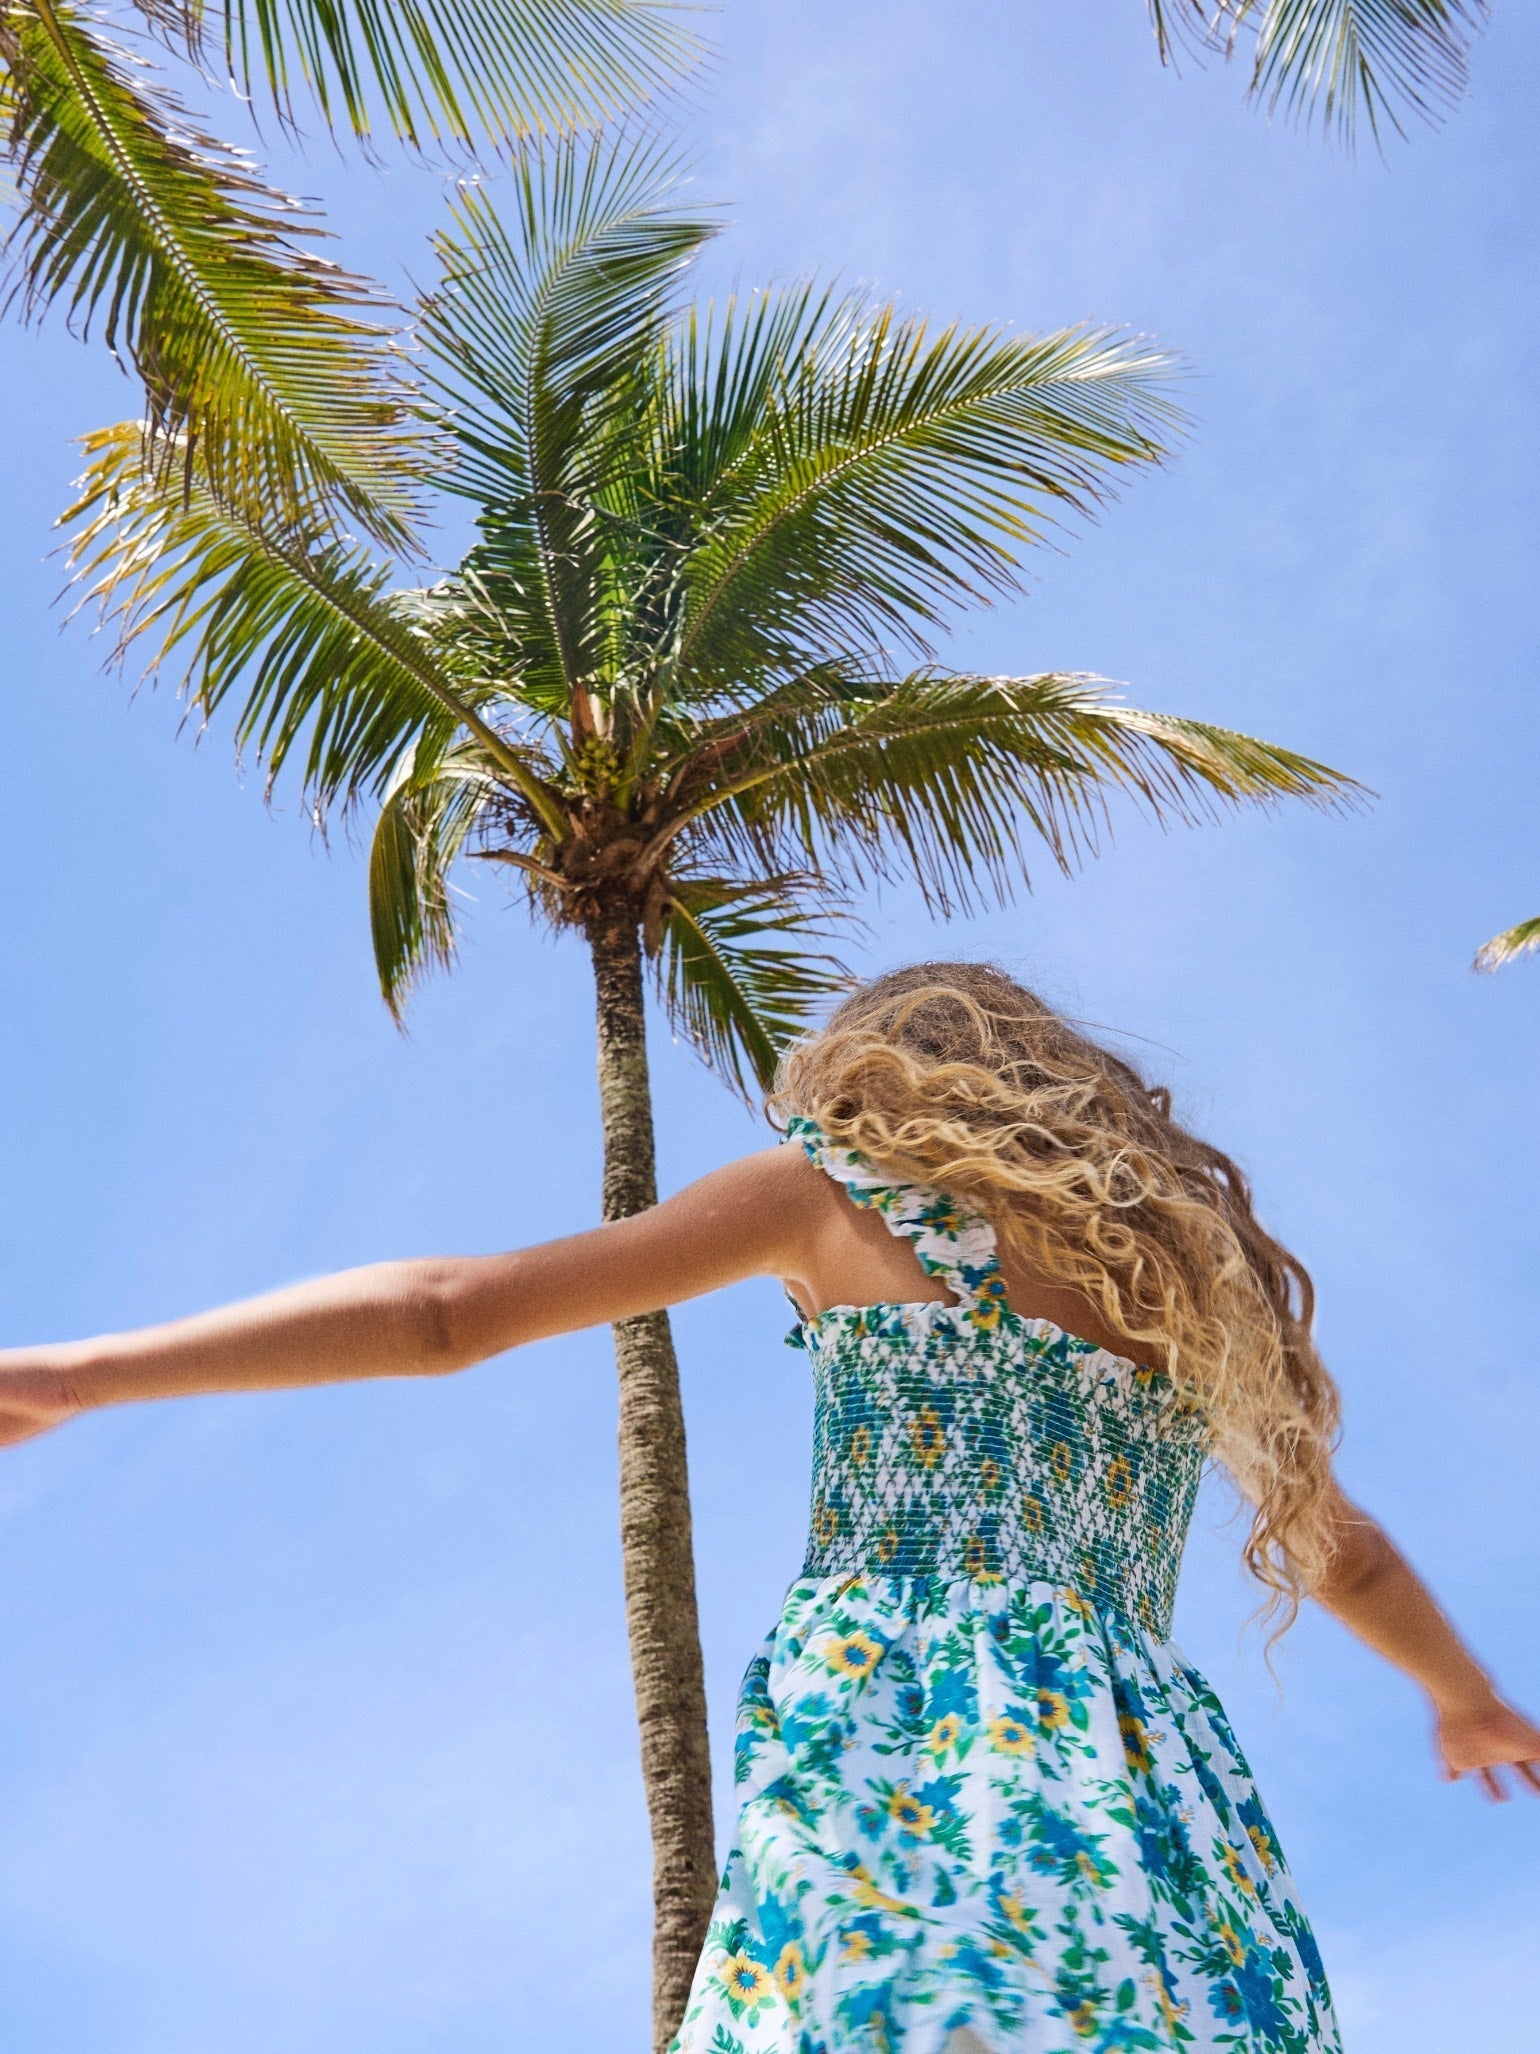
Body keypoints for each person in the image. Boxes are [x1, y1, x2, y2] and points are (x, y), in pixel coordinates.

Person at [1, 962, 1535, 2053]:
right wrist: (1467, 1701)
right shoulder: (1186, 1310)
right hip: (1144, 1790)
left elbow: (449, 1313)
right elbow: (1348, 1548)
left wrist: (81, 1373)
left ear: (875, 1079)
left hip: (918, 1731)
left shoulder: (833, 1195)